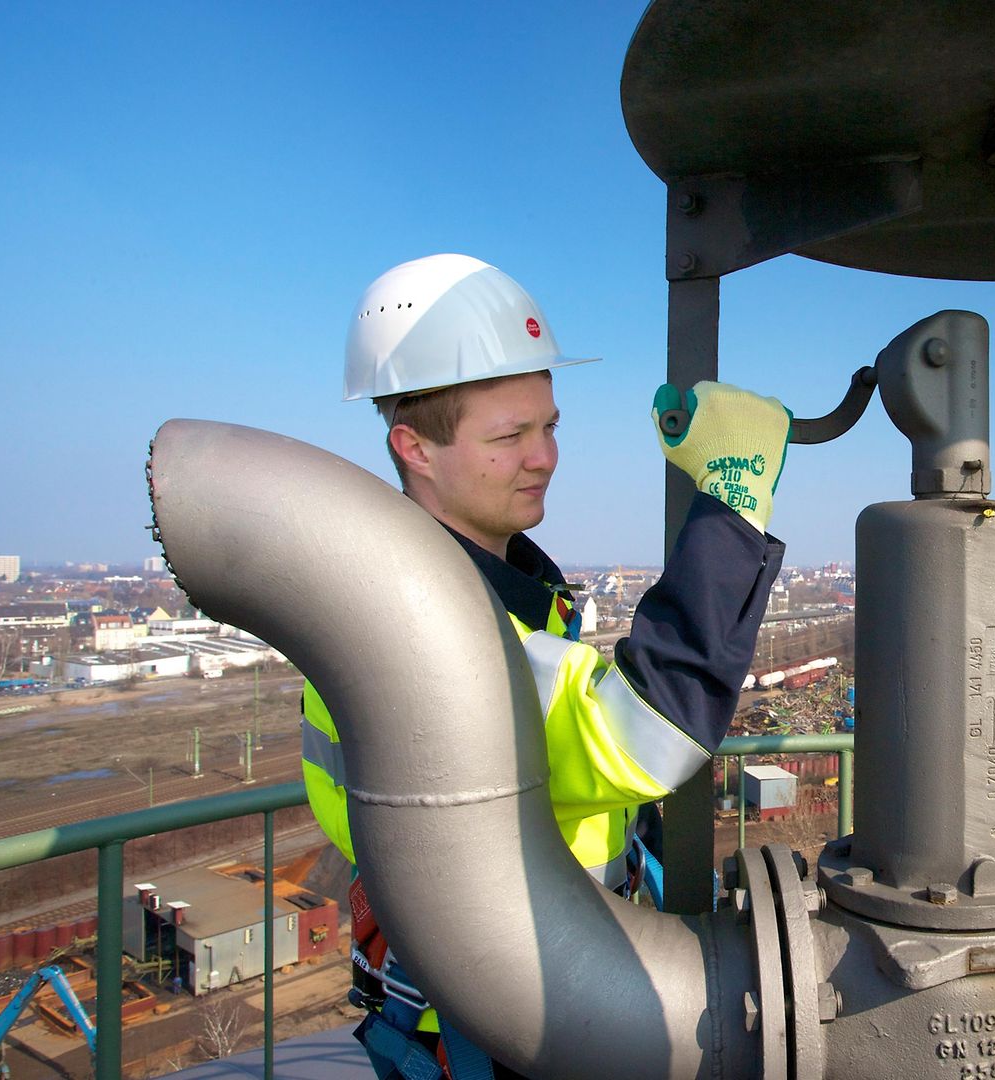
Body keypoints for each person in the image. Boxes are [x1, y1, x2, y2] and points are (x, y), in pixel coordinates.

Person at [299, 253, 789, 1080]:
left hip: (527, 987)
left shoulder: (478, 589)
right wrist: (733, 500)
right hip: (501, 1024)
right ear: (413, 446)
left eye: (549, 425)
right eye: (509, 436)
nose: (545, 457)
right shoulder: (421, 626)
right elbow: (647, 731)